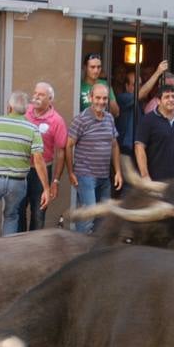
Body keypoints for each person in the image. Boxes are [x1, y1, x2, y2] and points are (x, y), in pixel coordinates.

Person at [0, 91, 49, 239]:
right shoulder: (33, 129)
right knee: (11, 216)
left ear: (9, 107)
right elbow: (39, 160)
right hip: (17, 182)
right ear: (26, 109)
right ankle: (6, 251)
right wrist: (46, 188)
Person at [67, 81, 121, 233]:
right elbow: (68, 145)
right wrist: (70, 172)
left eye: (104, 98)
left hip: (104, 176)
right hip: (85, 176)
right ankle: (79, 246)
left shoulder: (109, 118)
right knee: (88, 218)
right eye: (98, 98)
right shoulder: (81, 119)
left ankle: (94, 247)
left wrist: (118, 171)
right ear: (90, 98)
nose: (101, 102)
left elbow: (114, 145)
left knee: (102, 219)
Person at [21, 81, 67, 231]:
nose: (36, 97)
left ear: (50, 99)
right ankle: (18, 243)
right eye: (35, 93)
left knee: (38, 213)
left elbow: (61, 152)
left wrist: (56, 181)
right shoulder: (25, 111)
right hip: (21, 168)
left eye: (41, 95)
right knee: (18, 210)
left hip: (42, 172)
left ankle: (34, 244)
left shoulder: (57, 120)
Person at [135, 82, 174, 183]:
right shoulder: (148, 120)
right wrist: (145, 175)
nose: (171, 99)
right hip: (155, 180)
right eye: (167, 97)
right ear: (158, 101)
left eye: (173, 97)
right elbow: (139, 147)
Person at [79, 53, 119, 117]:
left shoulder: (105, 85)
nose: (96, 70)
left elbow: (116, 113)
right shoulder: (79, 86)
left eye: (98, 67)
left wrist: (107, 95)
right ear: (85, 67)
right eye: (92, 67)